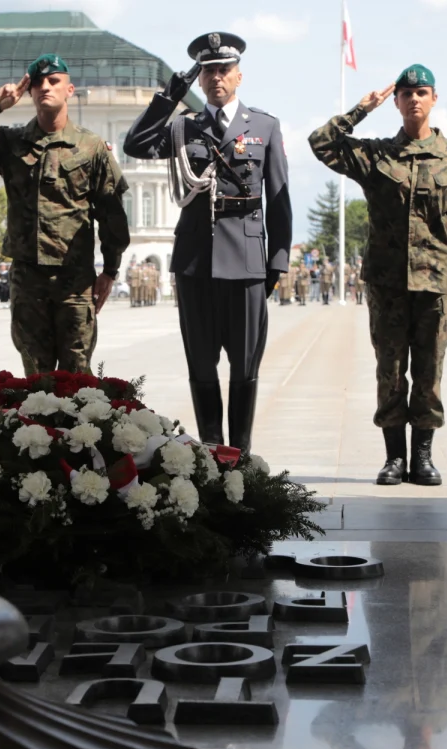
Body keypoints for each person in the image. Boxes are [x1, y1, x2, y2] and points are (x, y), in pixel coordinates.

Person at [309, 64, 447, 486]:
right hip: (388, 285)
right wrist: (361, 109)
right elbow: (322, 143)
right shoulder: (377, 155)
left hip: (434, 284)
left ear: (434, 98)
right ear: (397, 102)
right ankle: (394, 459)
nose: (414, 99)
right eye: (406, 94)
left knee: (429, 371)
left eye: (422, 92)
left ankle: (422, 457)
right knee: (390, 369)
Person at [124, 32, 292, 453]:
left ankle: (242, 452)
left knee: (245, 367)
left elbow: (279, 200)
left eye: (224, 70)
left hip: (249, 263)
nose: (217, 77)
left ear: (239, 76)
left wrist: (277, 264)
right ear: (199, 80)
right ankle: (212, 450)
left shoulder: (264, 127)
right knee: (201, 364)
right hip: (196, 263)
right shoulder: (184, 126)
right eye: (208, 71)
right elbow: (136, 144)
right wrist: (168, 98)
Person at [0, 53, 129, 375]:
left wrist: (110, 270)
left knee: (77, 373)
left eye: (54, 81)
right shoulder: (10, 142)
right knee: (35, 375)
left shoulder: (91, 147)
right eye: (39, 83)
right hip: (28, 276)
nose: (46, 87)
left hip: (75, 279)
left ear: (70, 89)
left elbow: (111, 213)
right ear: (29, 93)